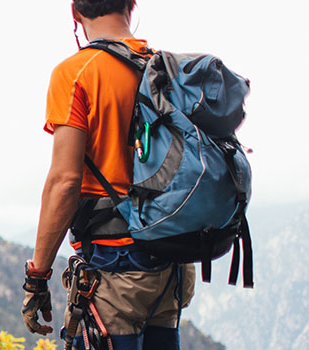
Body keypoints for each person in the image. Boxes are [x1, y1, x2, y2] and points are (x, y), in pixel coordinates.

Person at [21, 1, 195, 349]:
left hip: (113, 264)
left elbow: (65, 182)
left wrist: (37, 278)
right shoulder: (168, 70)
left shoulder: (76, 72)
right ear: (132, 5)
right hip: (170, 262)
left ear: (75, 12)